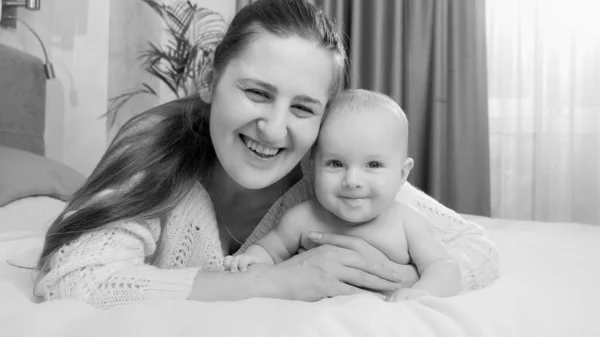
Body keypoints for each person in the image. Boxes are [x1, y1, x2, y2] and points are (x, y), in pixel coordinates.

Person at [34, 0, 499, 309]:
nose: (274, 128)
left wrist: (391, 277)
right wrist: (273, 282)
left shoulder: (325, 177)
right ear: (210, 82)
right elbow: (73, 280)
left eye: (303, 107)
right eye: (257, 92)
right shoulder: (156, 149)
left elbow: (475, 248)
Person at [223, 89, 461, 301]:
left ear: (402, 174)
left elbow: (443, 265)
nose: (352, 181)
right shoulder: (302, 219)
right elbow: (267, 251)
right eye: (336, 163)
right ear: (311, 167)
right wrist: (249, 261)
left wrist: (422, 292)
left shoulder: (408, 223)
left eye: (374, 165)